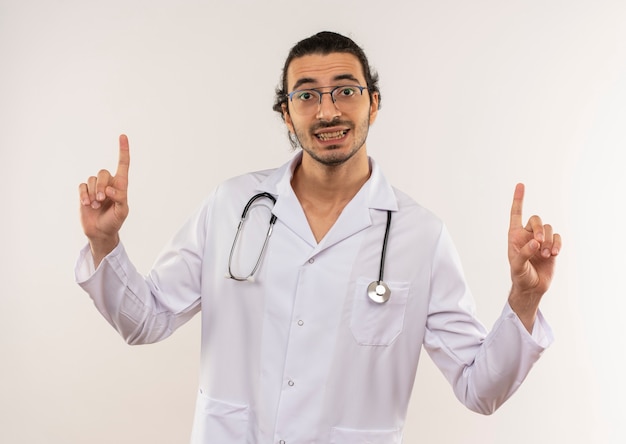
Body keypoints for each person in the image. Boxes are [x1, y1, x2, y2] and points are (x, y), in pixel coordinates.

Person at [76, 31, 561, 444]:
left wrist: (525, 299)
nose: (327, 111)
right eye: (306, 95)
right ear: (287, 115)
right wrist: (105, 244)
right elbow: (145, 322)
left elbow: (480, 389)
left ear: (373, 102)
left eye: (345, 90)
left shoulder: (421, 236)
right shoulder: (231, 207)